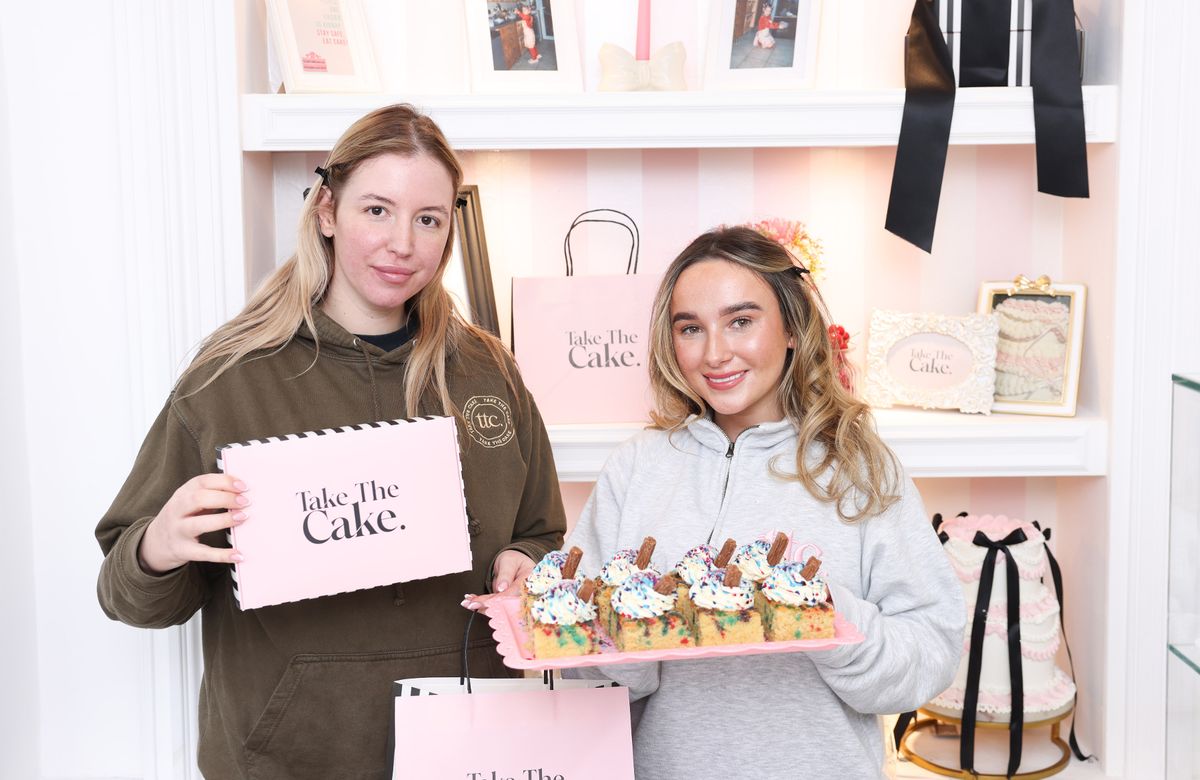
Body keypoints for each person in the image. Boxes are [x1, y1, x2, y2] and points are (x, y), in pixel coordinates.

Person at [95, 104, 566, 780]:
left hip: (472, 750)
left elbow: (543, 530)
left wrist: (526, 559)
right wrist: (156, 548)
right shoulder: (228, 381)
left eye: (428, 219)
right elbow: (128, 594)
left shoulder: (488, 372)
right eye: (377, 210)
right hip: (286, 759)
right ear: (326, 212)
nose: (403, 243)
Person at [562, 226, 965, 779]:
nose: (715, 353)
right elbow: (580, 672)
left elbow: (931, 654)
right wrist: (630, 638)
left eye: (741, 321)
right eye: (690, 328)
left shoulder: (860, 468)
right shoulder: (637, 469)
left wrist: (833, 620)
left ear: (792, 328)